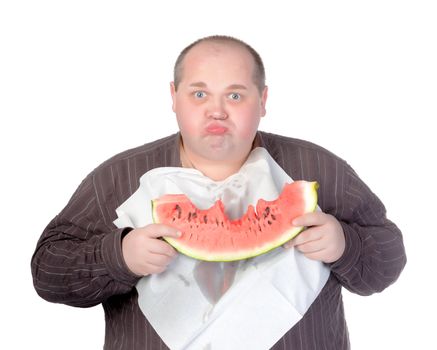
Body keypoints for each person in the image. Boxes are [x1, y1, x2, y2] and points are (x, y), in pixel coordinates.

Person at [31, 35, 407, 349]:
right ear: (173, 98)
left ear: (263, 100)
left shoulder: (319, 171)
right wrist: (119, 255)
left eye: (235, 96)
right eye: (199, 95)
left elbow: (388, 261)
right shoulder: (118, 177)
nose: (216, 112)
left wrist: (346, 246)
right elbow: (47, 272)